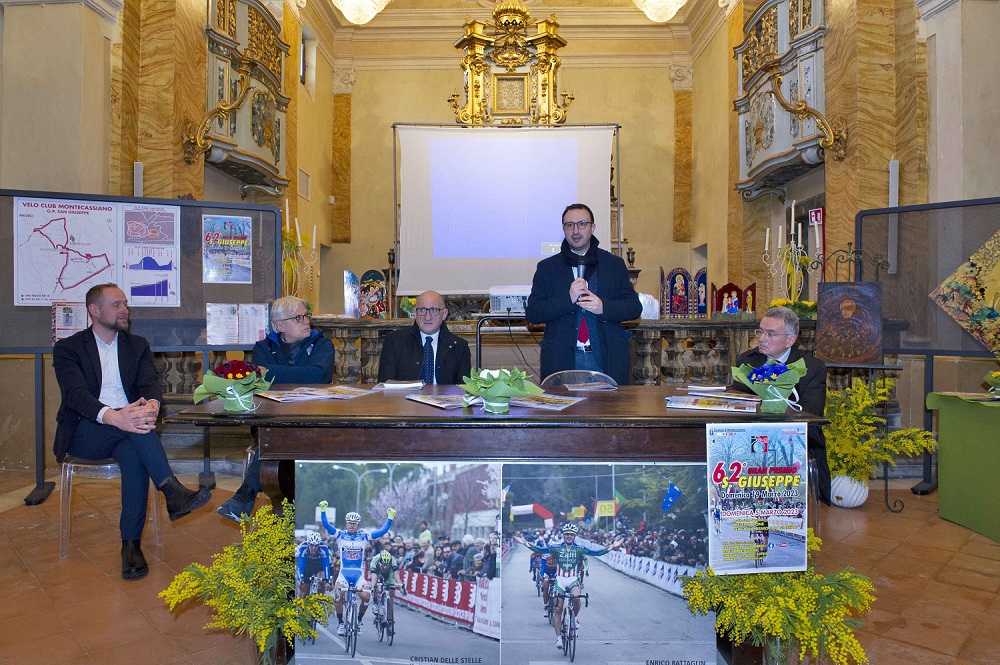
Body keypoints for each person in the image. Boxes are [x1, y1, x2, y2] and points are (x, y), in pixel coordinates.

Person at [53, 283, 212, 581]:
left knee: (134, 446)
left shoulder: (136, 345)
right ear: (94, 311)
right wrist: (115, 416)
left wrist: (151, 404)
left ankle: (131, 546)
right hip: (87, 431)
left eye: (125, 303)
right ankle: (171, 491)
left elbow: (149, 384)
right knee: (136, 428)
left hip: (128, 429)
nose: (124, 309)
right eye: (116, 305)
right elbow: (75, 395)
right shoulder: (68, 349)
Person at [217, 296, 334, 522]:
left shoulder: (322, 344)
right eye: (298, 317)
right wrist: (298, 374)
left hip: (312, 420)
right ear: (279, 326)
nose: (306, 321)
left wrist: (271, 371)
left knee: (280, 435)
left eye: (306, 316)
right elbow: (261, 381)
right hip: (270, 418)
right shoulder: (263, 347)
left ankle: (245, 496)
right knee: (276, 432)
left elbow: (318, 375)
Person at [526, 203, 642, 384]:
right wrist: (567, 299)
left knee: (608, 412)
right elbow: (533, 313)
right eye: (569, 225)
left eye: (582, 224)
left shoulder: (613, 264)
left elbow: (634, 308)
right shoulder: (547, 268)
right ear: (563, 229)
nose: (576, 230)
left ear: (592, 227)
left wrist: (603, 306)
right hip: (561, 361)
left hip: (607, 360)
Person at [732, 305, 832, 504]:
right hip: (753, 439)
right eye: (760, 331)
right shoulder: (747, 361)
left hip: (797, 441)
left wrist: (775, 402)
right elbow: (740, 406)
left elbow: (811, 414)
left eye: (770, 334)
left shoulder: (813, 368)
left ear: (790, 340)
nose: (761, 338)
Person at [514, 523, 624, 648]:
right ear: (564, 535)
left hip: (573, 579)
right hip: (559, 579)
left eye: (571, 534)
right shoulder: (556, 548)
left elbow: (596, 553)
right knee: (557, 609)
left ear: (574, 536)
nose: (569, 536)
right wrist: (525, 543)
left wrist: (611, 547)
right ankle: (559, 638)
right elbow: (540, 550)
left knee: (577, 598)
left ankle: (574, 618)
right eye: (567, 534)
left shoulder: (579, 549)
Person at [319, 505, 395, 635]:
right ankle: (341, 624)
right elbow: (326, 525)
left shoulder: (364, 536)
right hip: (344, 573)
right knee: (337, 594)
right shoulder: (340, 535)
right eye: (350, 523)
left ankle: (359, 621)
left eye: (354, 524)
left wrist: (390, 518)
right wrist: (323, 511)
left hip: (358, 574)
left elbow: (381, 531)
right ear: (346, 524)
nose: (352, 526)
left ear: (358, 525)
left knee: (366, 596)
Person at [377, 290, 471, 385]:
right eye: (422, 310)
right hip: (404, 398)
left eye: (434, 310)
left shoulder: (459, 347)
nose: (427, 317)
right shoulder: (394, 341)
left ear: (444, 314)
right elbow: (385, 384)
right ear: (415, 313)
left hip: (443, 399)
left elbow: (463, 390)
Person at [296, 531, 333, 597]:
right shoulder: (302, 548)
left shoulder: (324, 548)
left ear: (319, 545)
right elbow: (301, 565)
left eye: (316, 546)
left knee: (321, 581)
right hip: (307, 565)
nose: (313, 548)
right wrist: (300, 579)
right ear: (308, 544)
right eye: (311, 545)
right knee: (305, 588)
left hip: (318, 565)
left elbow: (326, 565)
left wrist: (327, 581)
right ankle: (301, 604)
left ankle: (320, 599)